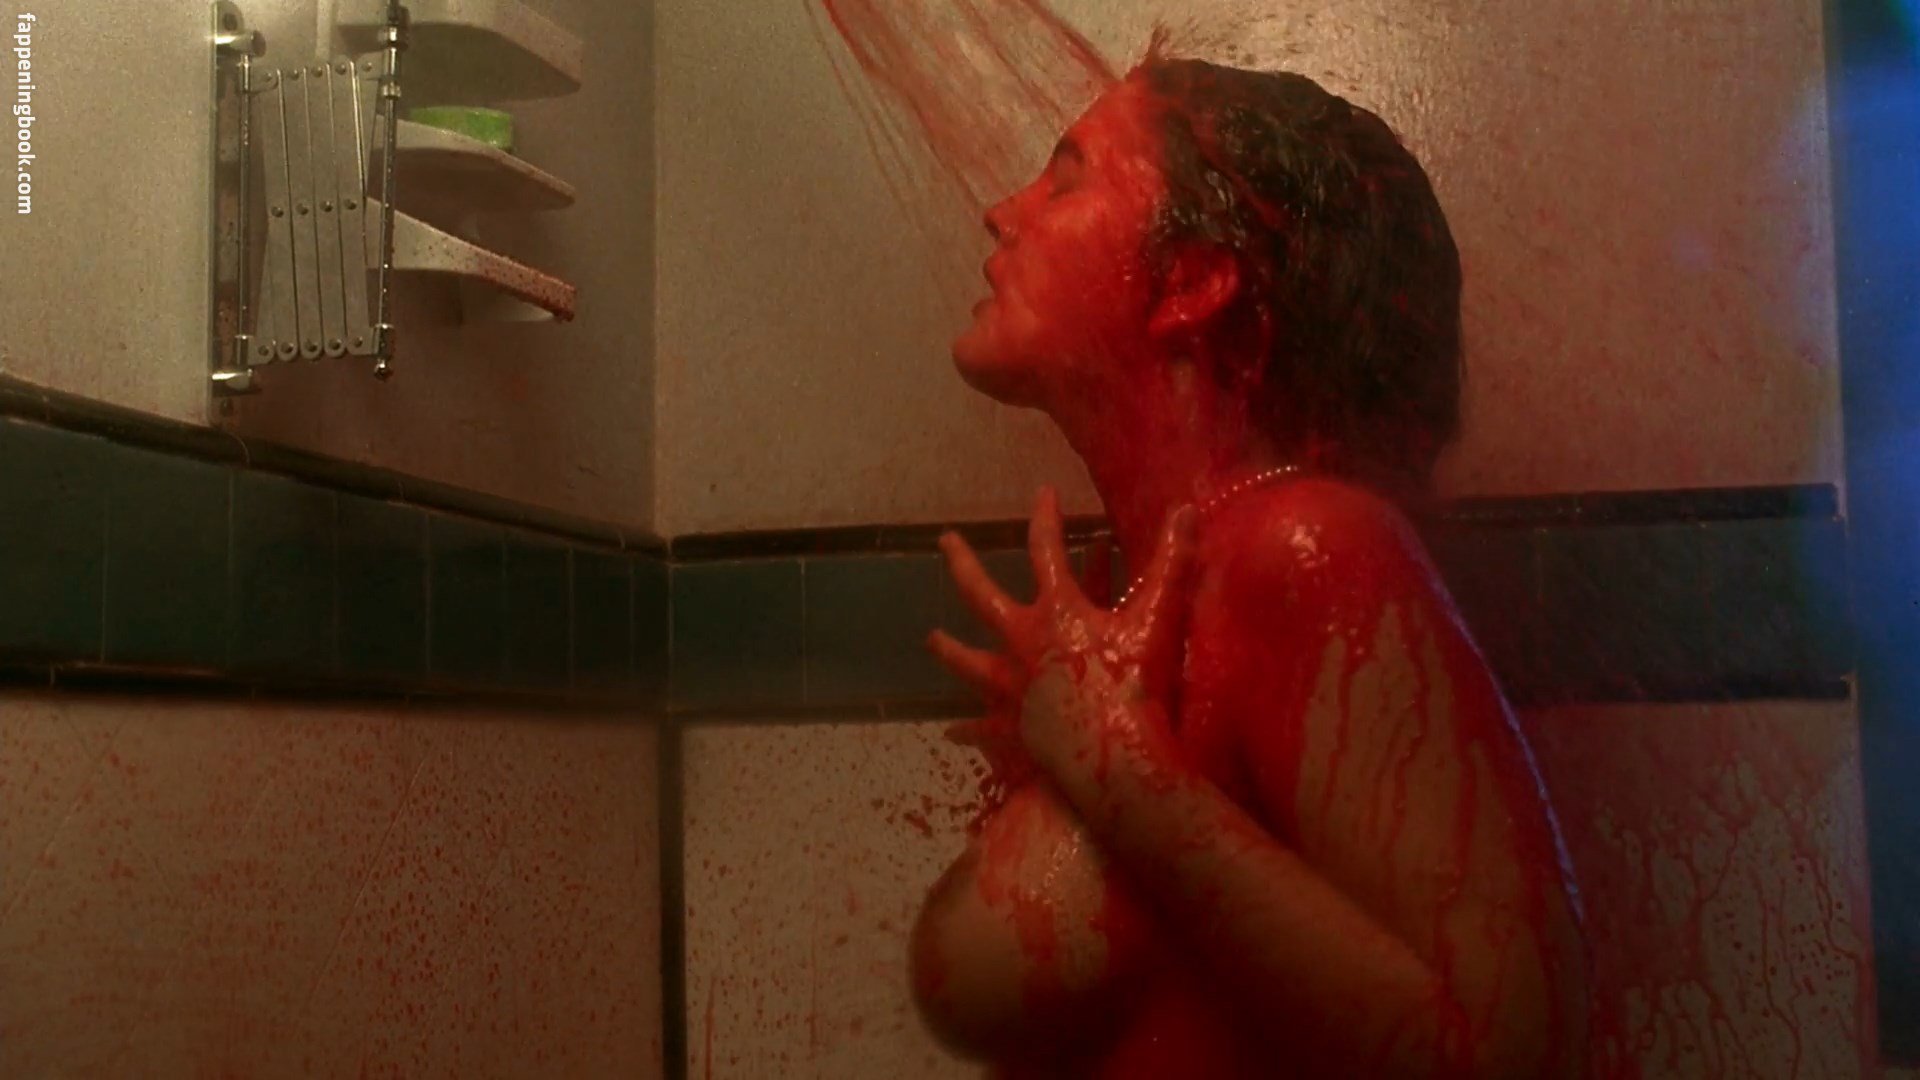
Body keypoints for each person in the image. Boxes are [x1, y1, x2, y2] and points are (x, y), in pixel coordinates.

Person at [909, 54, 1590, 1079]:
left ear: (1191, 283)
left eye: (1065, 178)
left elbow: (1508, 1056)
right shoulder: (1152, 588)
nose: (1002, 213)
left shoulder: (1311, 548)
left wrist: (1116, 775)